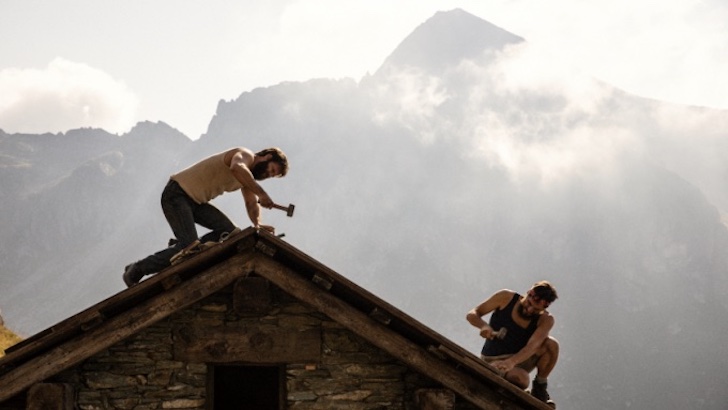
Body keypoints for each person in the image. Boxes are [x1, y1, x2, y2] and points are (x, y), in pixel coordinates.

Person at [122, 147, 289, 287]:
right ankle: (138, 269)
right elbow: (236, 167)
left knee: (230, 232)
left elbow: (251, 204)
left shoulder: (247, 179)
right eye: (272, 170)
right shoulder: (245, 155)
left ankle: (183, 246)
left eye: (272, 175)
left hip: (195, 202)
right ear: (267, 156)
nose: (268, 175)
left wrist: (258, 225)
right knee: (189, 247)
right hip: (177, 194)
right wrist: (262, 192)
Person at [466, 280, 559, 407]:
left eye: (536, 309)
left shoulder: (546, 319)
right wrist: (483, 326)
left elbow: (533, 346)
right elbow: (472, 314)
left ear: (544, 308)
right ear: (528, 294)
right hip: (493, 359)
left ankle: (539, 387)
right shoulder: (506, 298)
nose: (530, 310)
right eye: (529, 303)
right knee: (521, 379)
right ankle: (501, 379)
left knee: (551, 345)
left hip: (518, 360)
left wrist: (511, 362)